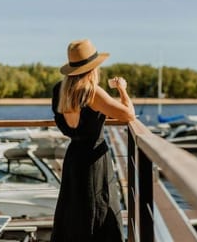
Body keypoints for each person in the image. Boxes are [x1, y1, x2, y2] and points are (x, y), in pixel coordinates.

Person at [50, 39, 136, 242]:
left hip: (73, 159)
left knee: (74, 214)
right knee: (99, 211)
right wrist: (122, 89)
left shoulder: (59, 91)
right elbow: (128, 115)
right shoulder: (92, 92)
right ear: (93, 68)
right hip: (94, 161)